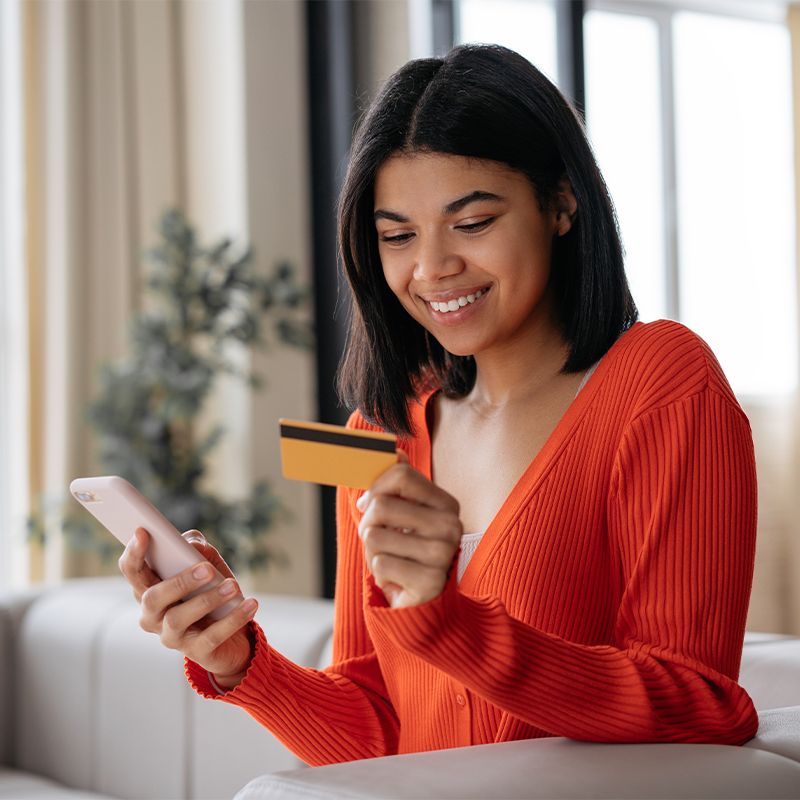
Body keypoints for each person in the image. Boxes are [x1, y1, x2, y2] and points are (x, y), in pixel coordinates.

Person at [119, 44, 759, 764]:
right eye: (397, 236)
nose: (432, 268)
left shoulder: (662, 380)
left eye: (473, 223)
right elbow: (380, 737)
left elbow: (700, 705)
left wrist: (448, 623)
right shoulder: (374, 436)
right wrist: (241, 661)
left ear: (561, 203)